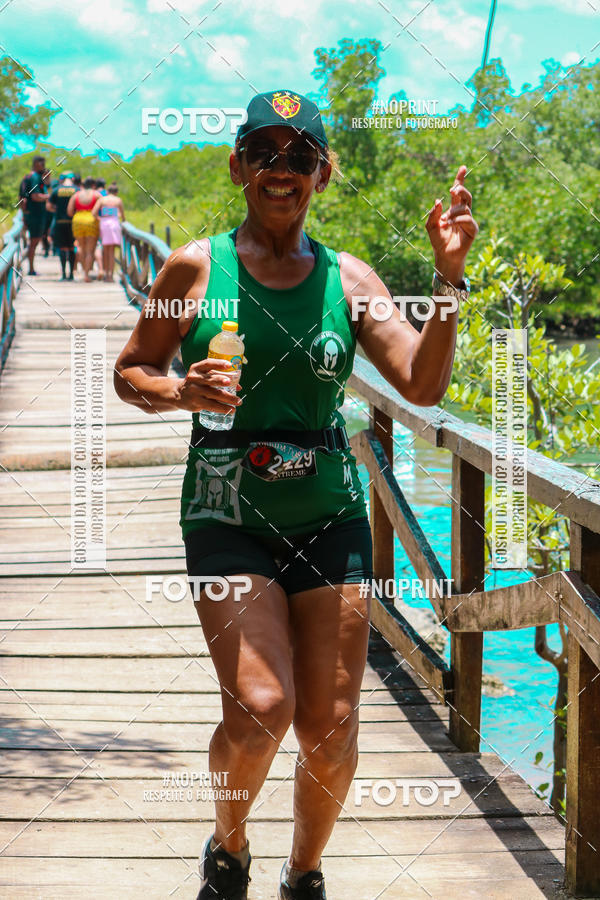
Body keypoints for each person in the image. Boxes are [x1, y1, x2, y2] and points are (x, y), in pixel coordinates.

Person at [113, 89, 478, 900]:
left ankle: (304, 875)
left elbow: (421, 382)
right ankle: (228, 846)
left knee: (332, 726)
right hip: (225, 508)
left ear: (322, 175)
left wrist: (448, 282)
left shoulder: (350, 278)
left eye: (301, 156)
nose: (283, 170)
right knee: (259, 707)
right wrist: (179, 393)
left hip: (333, 514)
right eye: (266, 153)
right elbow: (130, 369)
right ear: (238, 165)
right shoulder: (192, 268)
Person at [18, 155, 48, 275]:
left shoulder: (28, 177)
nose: (44, 167)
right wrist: (49, 197)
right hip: (35, 215)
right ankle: (31, 269)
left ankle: (28, 266)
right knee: (34, 242)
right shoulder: (35, 177)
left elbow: (21, 197)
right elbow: (35, 197)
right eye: (42, 164)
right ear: (36, 163)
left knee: (33, 242)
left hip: (30, 214)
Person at [67, 176, 99, 281]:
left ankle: (82, 271)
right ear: (93, 185)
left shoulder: (76, 195)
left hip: (78, 220)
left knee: (81, 247)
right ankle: (86, 274)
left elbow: (70, 212)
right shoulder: (96, 194)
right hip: (91, 220)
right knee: (90, 250)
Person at [92, 182, 125, 281]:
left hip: (104, 223)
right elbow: (123, 216)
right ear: (116, 192)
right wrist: (123, 221)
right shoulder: (118, 200)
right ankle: (110, 275)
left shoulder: (102, 200)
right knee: (112, 251)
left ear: (107, 191)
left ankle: (105, 273)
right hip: (114, 223)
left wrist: (100, 219)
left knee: (105, 251)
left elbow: (94, 212)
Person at [46, 173, 77, 280]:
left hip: (60, 222)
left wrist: (58, 210)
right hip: (73, 222)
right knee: (72, 247)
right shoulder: (77, 190)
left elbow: (48, 206)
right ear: (72, 179)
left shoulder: (56, 190)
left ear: (61, 180)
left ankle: (64, 274)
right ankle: (72, 275)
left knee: (62, 248)